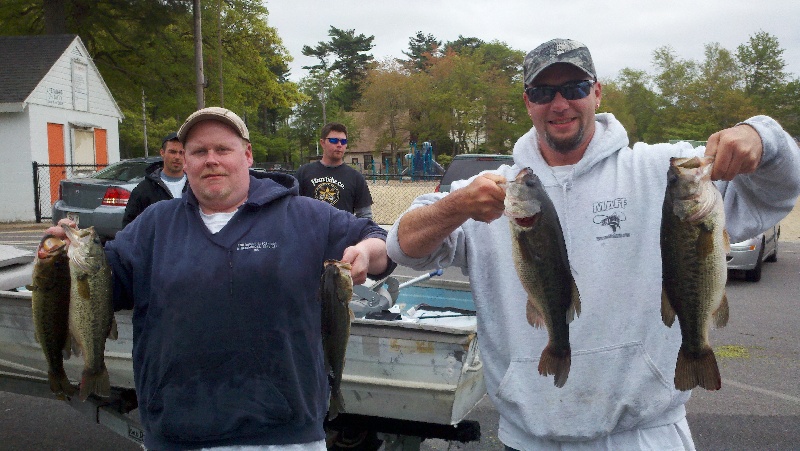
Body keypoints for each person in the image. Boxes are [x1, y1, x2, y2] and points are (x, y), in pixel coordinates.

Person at [387, 38, 800, 450]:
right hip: (527, 438)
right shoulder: (490, 192)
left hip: (645, 436)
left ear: (597, 93)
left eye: (575, 88)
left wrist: (761, 134)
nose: (560, 103)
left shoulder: (664, 170)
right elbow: (402, 246)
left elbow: (779, 191)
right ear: (527, 102)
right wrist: (455, 205)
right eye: (543, 92)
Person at [49, 107, 394, 450]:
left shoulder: (305, 216)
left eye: (222, 149)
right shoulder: (154, 224)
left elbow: (379, 242)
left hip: (286, 436)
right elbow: (99, 286)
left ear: (247, 154)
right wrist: (61, 258)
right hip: (177, 434)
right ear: (185, 161)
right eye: (199, 151)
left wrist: (365, 250)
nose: (211, 159)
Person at [294, 122, 374, 219]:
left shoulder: (356, 178)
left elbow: (365, 216)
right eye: (334, 140)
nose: (339, 145)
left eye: (343, 142)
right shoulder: (304, 173)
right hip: (309, 232)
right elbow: (292, 209)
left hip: (342, 233)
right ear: (322, 143)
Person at [121, 132, 187, 228]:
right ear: (162, 153)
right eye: (172, 152)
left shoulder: (195, 188)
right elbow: (129, 228)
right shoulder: (144, 190)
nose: (177, 157)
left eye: (181, 153)